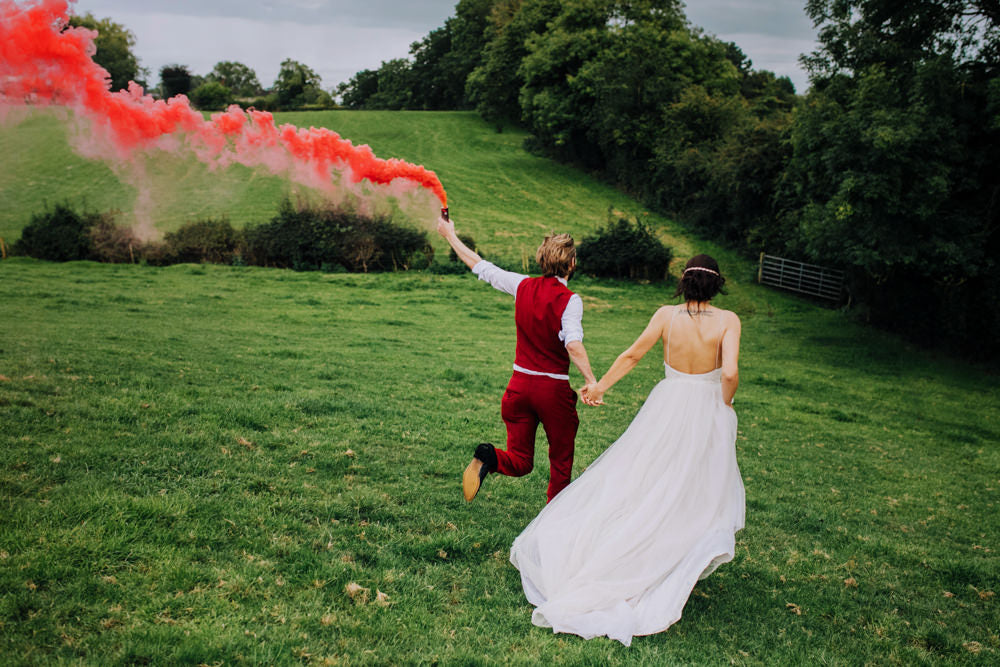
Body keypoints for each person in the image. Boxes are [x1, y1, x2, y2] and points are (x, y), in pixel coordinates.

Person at [509, 254, 745, 646]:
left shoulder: (666, 315)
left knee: (643, 475)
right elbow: (731, 372)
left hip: (667, 402)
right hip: (708, 407)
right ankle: (668, 553)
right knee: (694, 485)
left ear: (683, 283)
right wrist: (726, 402)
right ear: (717, 285)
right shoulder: (729, 321)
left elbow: (633, 355)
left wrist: (598, 387)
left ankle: (636, 546)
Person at [436, 213, 598, 504]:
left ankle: (488, 457)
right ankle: (552, 521)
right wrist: (591, 381)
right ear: (572, 263)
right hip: (552, 392)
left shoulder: (521, 285)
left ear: (541, 260)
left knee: (520, 461)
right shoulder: (570, 300)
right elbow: (573, 344)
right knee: (561, 462)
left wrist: (449, 235)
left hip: (518, 388)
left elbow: (480, 266)